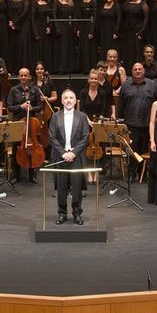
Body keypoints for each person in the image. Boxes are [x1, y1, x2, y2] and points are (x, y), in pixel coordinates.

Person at [47, 88, 91, 224]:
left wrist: (73, 153)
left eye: (71, 98)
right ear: (61, 100)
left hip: (76, 157)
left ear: (75, 100)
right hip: (60, 157)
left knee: (77, 188)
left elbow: (85, 137)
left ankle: (77, 213)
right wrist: (63, 153)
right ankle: (62, 214)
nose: (68, 100)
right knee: (61, 188)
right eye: (65, 98)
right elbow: (52, 137)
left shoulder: (82, 116)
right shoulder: (55, 116)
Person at [118, 63, 157, 179]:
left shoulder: (152, 85)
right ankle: (131, 173)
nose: (137, 71)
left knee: (144, 150)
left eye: (140, 69)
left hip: (147, 125)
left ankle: (143, 173)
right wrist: (120, 121)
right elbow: (121, 104)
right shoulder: (125, 85)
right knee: (131, 151)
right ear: (132, 71)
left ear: (144, 71)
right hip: (130, 124)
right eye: (135, 69)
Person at [6, 68, 45, 184]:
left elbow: (40, 106)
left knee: (33, 148)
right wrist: (21, 107)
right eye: (21, 75)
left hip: (32, 124)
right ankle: (15, 175)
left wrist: (32, 108)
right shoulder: (13, 90)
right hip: (18, 122)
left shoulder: (35, 90)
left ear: (29, 77)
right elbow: (9, 107)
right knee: (16, 148)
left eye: (25, 75)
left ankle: (32, 175)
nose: (23, 78)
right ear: (18, 77)